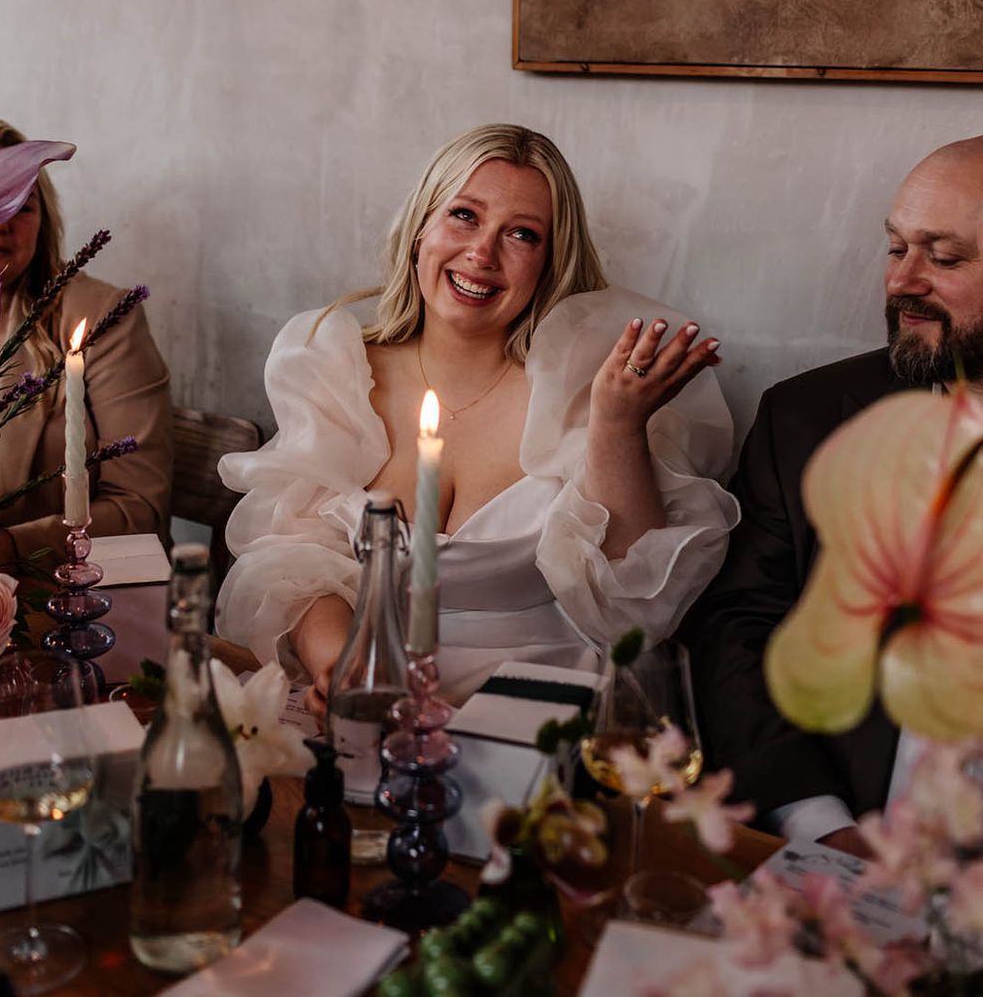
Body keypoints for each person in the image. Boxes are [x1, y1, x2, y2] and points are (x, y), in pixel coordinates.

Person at [217, 123, 738, 709]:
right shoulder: (335, 369)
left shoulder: (581, 389)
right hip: (370, 694)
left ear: (550, 264)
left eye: (521, 234)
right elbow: (295, 563)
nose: (482, 254)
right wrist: (342, 667)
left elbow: (633, 606)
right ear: (421, 228)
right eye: (464, 215)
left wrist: (617, 425)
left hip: (538, 709)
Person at [687, 135, 983, 857]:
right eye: (896, 248)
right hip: (846, 847)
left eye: (944, 259)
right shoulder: (806, 419)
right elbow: (740, 630)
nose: (902, 280)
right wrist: (817, 825)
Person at [0, 118, 172, 566]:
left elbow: (140, 508)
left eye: (22, 204)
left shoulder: (103, 318)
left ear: (43, 220)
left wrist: (9, 548)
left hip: (50, 587)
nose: (1, 222)